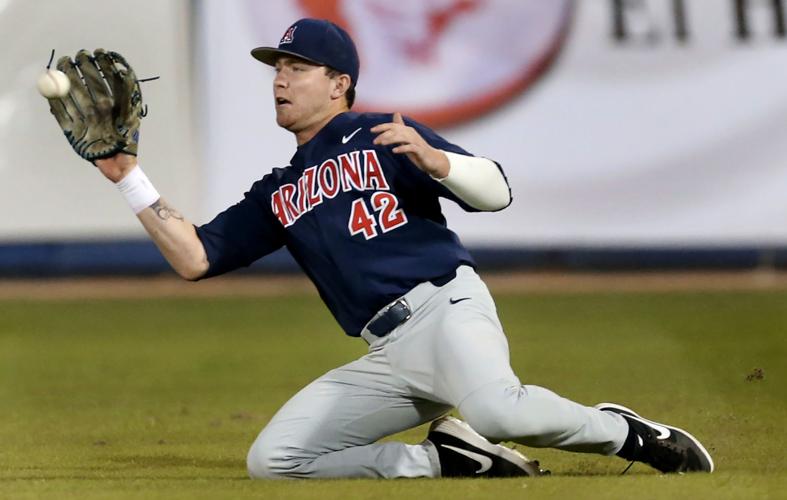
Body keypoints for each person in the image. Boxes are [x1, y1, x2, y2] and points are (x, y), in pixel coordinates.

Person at [75, 18, 713, 478]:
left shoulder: (379, 136)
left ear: (339, 84)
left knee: (499, 409)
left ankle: (633, 435)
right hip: (389, 353)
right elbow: (194, 258)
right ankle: (445, 460)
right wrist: (128, 176)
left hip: (446, 309)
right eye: (277, 68)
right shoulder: (278, 192)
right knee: (275, 461)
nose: (280, 79)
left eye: (297, 68)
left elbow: (496, 195)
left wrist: (440, 163)